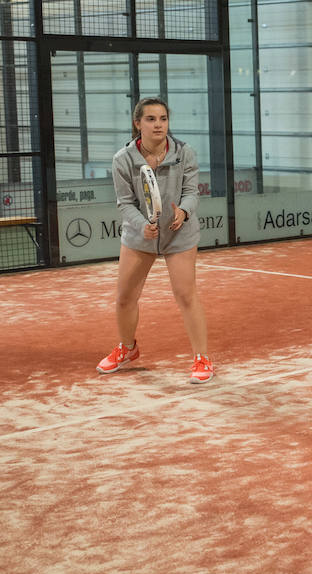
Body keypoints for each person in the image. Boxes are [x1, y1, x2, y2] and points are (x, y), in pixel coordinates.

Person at [97, 97, 214, 384]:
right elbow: (125, 203)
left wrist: (184, 211)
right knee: (125, 297)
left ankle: (202, 358)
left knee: (186, 295)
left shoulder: (184, 153)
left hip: (179, 232)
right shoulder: (123, 159)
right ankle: (127, 348)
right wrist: (142, 226)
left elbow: (192, 192)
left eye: (163, 118)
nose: (158, 125)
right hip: (140, 235)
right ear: (138, 123)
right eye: (150, 119)